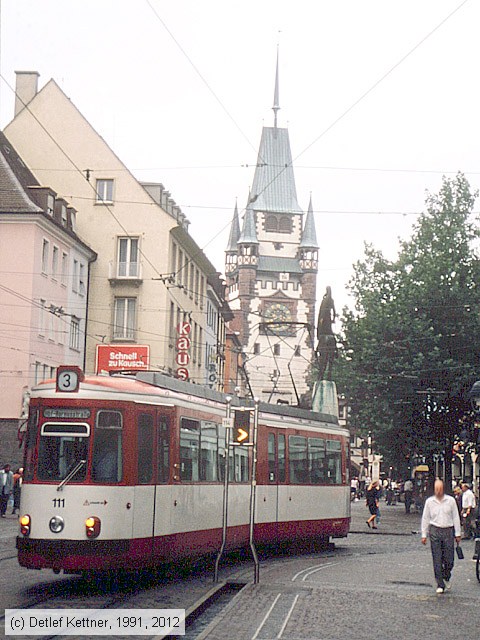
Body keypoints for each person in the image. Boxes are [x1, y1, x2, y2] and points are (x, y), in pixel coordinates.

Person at [421, 479, 461, 594]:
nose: (438, 491)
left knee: (449, 559)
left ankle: (446, 575)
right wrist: (424, 534)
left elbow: (455, 517)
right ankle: (440, 583)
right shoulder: (429, 502)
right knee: (437, 558)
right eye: (436, 488)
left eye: (440, 488)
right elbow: (425, 518)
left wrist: (458, 533)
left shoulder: (451, 501)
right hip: (435, 530)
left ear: (443, 488)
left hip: (448, 530)